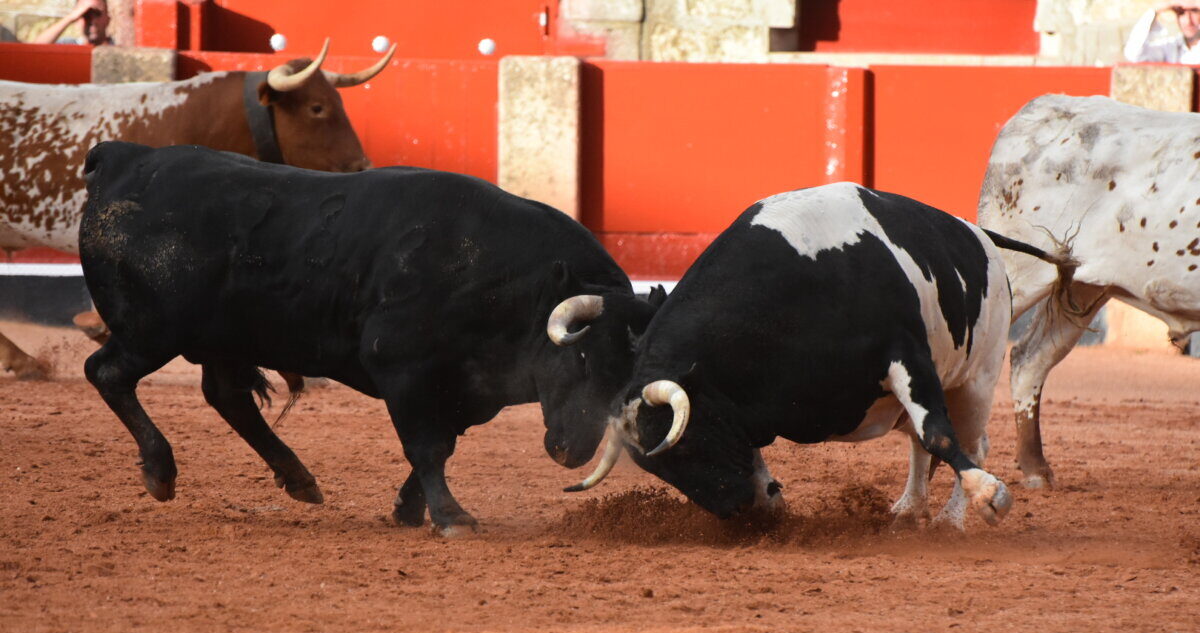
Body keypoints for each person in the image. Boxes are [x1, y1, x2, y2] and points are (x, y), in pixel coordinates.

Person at [31, 0, 110, 46]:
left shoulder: (118, 49)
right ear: (77, 21)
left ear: (108, 19)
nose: (92, 21)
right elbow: (35, 50)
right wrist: (69, 19)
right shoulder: (69, 45)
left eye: (97, 14)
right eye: (85, 15)